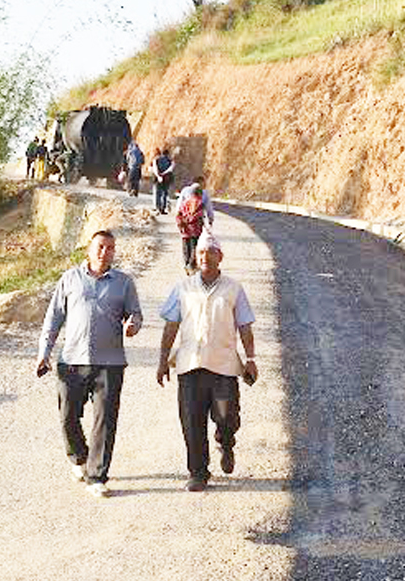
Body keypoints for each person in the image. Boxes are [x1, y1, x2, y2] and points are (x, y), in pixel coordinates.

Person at [36, 230, 143, 497]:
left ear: (114, 252)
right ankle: (79, 457)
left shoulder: (123, 282)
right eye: (100, 247)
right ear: (89, 249)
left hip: (110, 363)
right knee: (67, 417)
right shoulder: (70, 279)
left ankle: (97, 476)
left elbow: (135, 314)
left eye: (109, 248)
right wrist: (43, 353)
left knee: (105, 420)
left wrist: (133, 325)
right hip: (71, 361)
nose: (104, 252)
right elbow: (53, 319)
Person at [156, 231, 258, 492]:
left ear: (220, 256)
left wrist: (250, 359)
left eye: (210, 252)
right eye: (200, 252)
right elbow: (171, 326)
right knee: (191, 419)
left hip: (224, 365)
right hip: (190, 364)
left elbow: (245, 326)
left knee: (227, 416)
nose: (204, 257)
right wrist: (162, 360)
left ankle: (225, 442)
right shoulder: (182, 288)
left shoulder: (234, 288)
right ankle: (198, 472)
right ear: (195, 256)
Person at [175, 182, 209, 273]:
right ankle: (191, 265)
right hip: (195, 229)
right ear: (200, 193)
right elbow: (199, 215)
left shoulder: (185, 202)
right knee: (195, 247)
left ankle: (186, 264)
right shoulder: (200, 203)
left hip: (185, 229)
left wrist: (181, 223)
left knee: (186, 247)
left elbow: (178, 214)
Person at [153, 146, 175, 215]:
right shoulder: (170, 161)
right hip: (166, 179)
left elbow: (155, 169)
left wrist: (159, 175)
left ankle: (157, 208)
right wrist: (164, 174)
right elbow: (171, 169)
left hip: (158, 179)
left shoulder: (156, 159)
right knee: (164, 193)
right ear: (168, 154)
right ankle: (163, 209)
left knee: (157, 193)